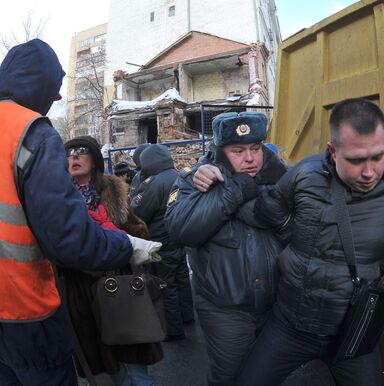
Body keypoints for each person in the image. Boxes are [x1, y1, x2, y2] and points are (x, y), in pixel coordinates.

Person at [234, 98, 384, 386]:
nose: (369, 171)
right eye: (356, 160)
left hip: (355, 336)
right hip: (289, 326)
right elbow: (264, 210)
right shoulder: (305, 174)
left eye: (377, 156)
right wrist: (226, 185)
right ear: (332, 151)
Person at [0, 39, 161, 386]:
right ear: (41, 85)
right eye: (54, 90)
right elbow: (68, 239)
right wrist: (127, 246)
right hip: (25, 312)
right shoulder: (31, 132)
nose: (54, 101)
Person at [165, 112, 287, 386]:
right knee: (229, 376)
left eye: (255, 148)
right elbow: (180, 229)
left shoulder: (282, 177)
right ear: (221, 151)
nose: (250, 158)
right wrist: (231, 192)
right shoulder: (194, 180)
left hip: (276, 304)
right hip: (224, 307)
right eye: (238, 150)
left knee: (268, 375)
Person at [62, 135, 163, 385]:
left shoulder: (113, 190)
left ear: (94, 159)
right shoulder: (58, 197)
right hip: (82, 292)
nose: (74, 156)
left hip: (121, 286)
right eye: (69, 152)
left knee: (135, 371)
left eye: (81, 150)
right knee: (108, 368)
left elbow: (140, 231)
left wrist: (113, 236)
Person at [131, 144, 195, 342]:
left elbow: (138, 213)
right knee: (182, 279)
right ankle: (187, 316)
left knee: (165, 286)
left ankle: (172, 329)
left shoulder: (153, 183)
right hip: (179, 238)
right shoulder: (180, 176)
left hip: (160, 242)